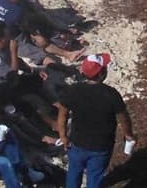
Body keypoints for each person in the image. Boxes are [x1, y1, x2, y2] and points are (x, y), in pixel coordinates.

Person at [57, 54, 135, 188]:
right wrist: (128, 135)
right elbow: (123, 118)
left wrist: (63, 136)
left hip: (76, 144)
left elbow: (62, 114)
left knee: (74, 173)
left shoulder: (73, 90)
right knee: (95, 177)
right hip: (101, 147)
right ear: (101, 74)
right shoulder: (111, 94)